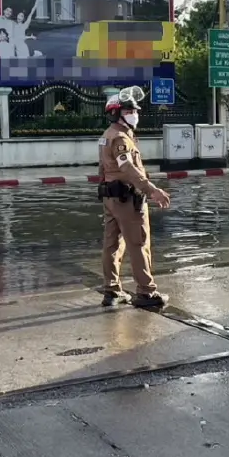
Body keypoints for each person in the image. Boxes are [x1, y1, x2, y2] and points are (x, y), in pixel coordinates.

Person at [98, 89, 171, 309]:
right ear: (116, 114)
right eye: (129, 110)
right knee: (139, 243)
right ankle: (146, 293)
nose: (134, 114)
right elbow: (127, 167)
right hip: (127, 200)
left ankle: (112, 291)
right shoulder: (120, 138)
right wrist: (151, 189)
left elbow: (103, 167)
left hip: (111, 197)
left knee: (112, 245)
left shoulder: (107, 135)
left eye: (134, 110)